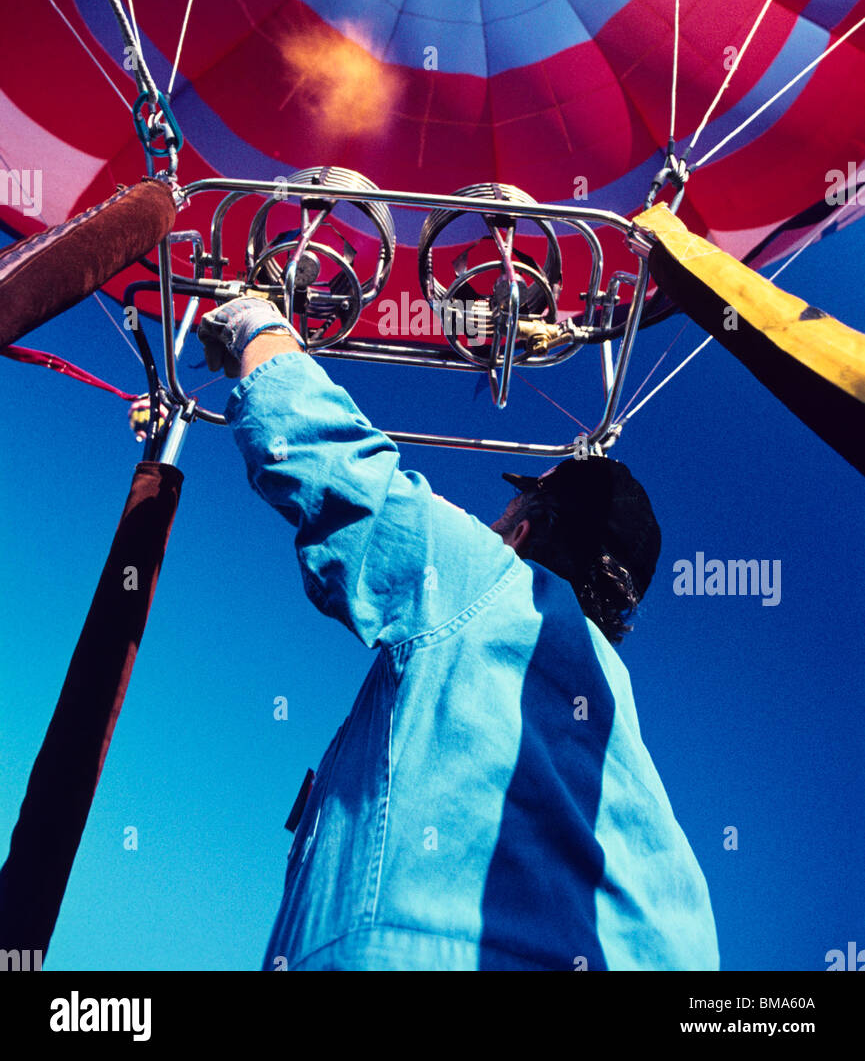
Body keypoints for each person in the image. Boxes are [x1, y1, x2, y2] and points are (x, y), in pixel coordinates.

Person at [200, 295, 719, 972]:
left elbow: (336, 468)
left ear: (522, 531)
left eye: (508, 506)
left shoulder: (495, 584)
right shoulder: (612, 715)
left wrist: (254, 325)